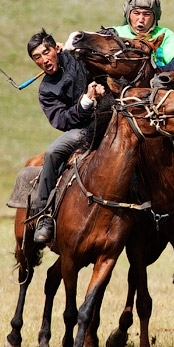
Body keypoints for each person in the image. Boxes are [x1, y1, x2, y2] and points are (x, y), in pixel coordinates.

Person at [28, 29, 105, 244]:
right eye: (37, 58)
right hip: (82, 131)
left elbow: (103, 39)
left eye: (46, 52)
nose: (44, 60)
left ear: (57, 48)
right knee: (53, 153)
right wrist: (86, 102)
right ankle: (43, 215)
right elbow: (61, 120)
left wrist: (77, 36)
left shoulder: (77, 56)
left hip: (111, 118)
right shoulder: (46, 90)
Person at [112, 0, 174, 72]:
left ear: (156, 16)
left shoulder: (166, 35)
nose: (141, 19)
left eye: (147, 14)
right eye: (136, 13)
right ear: (127, 14)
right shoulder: (114, 33)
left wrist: (155, 74)